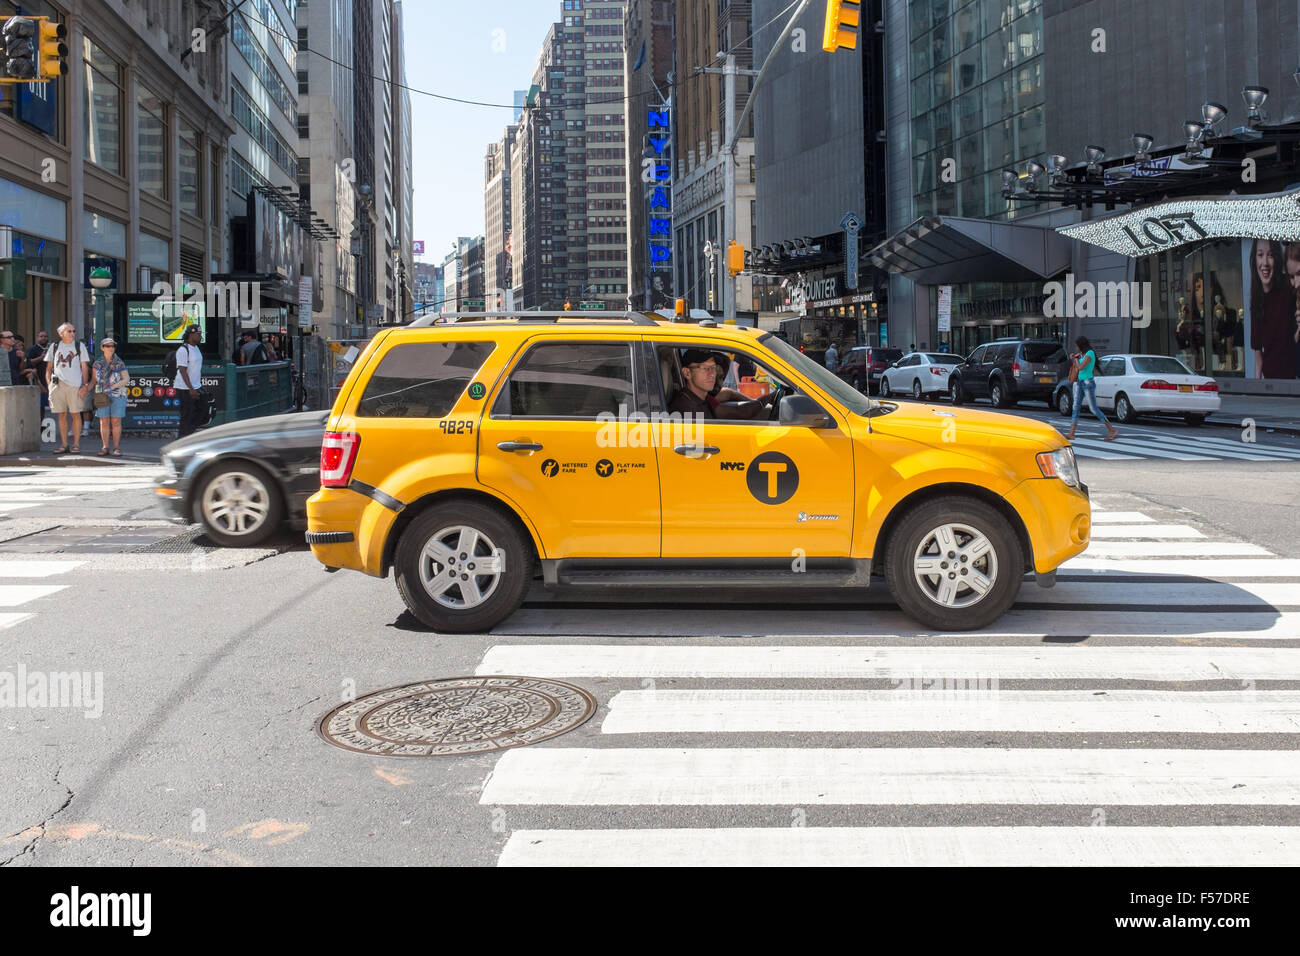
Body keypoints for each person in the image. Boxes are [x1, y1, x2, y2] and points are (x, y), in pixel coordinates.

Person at [668, 349, 771, 420]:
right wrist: (765, 400)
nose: (712, 374)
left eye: (713, 368)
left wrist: (754, 401)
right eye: (704, 368)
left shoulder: (700, 397)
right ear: (687, 373)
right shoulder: (688, 409)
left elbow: (728, 393)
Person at [1249, 238, 1295, 379]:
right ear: (1254, 259)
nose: (1265, 263)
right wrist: (1256, 390)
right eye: (1260, 255)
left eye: (1270, 255)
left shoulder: (1289, 287)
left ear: (1277, 258)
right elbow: (1258, 355)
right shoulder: (1256, 299)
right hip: (1271, 382)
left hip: (1293, 379)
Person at [44, 323, 92, 454]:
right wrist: (49, 386)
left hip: (75, 385)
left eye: (73, 331)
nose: (72, 333)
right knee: (61, 415)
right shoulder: (54, 346)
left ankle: (76, 444)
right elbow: (48, 369)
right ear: (61, 334)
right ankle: (64, 444)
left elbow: (84, 367)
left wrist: (84, 385)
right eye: (69, 331)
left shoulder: (79, 346)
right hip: (58, 385)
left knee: (76, 414)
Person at [1066, 335, 1118, 443]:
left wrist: (1075, 359)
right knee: (1075, 406)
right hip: (1080, 382)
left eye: (1077, 346)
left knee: (1093, 409)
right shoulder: (1083, 354)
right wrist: (1075, 359)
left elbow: (1081, 367)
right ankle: (1071, 433)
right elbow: (1077, 368)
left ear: (1081, 345)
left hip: (1088, 383)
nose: (1076, 348)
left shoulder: (1090, 353)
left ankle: (1112, 430)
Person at [91, 337, 130, 456]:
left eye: (112, 346)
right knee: (104, 421)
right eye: (108, 346)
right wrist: (85, 389)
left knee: (116, 421)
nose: (111, 348)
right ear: (102, 348)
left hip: (118, 394)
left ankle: (116, 448)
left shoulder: (119, 362)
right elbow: (93, 380)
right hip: (102, 394)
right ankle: (105, 447)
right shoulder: (97, 363)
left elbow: (126, 379)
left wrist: (113, 387)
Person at [174, 324, 206, 438]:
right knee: (187, 415)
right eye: (198, 334)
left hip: (196, 386)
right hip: (184, 388)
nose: (200, 336)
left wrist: (197, 387)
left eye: (200, 334)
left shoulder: (196, 348)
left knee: (201, 412)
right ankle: (182, 439)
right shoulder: (183, 350)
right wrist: (191, 389)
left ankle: (188, 435)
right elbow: (183, 371)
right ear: (191, 334)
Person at [26, 330, 50, 411]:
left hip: (51, 381)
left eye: (45, 336)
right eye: (41, 336)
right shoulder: (32, 349)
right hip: (38, 381)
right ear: (37, 338)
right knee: (40, 406)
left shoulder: (51, 349)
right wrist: (41, 358)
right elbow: (28, 362)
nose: (43, 338)